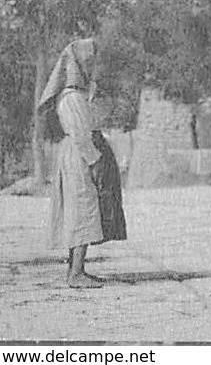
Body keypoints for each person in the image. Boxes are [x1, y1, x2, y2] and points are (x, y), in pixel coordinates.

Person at [37, 37, 127, 289]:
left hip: (74, 153)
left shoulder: (77, 95)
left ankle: (77, 269)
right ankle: (76, 273)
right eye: (89, 63)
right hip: (78, 154)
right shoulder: (72, 98)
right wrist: (95, 160)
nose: (92, 67)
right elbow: (81, 134)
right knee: (82, 208)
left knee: (80, 208)